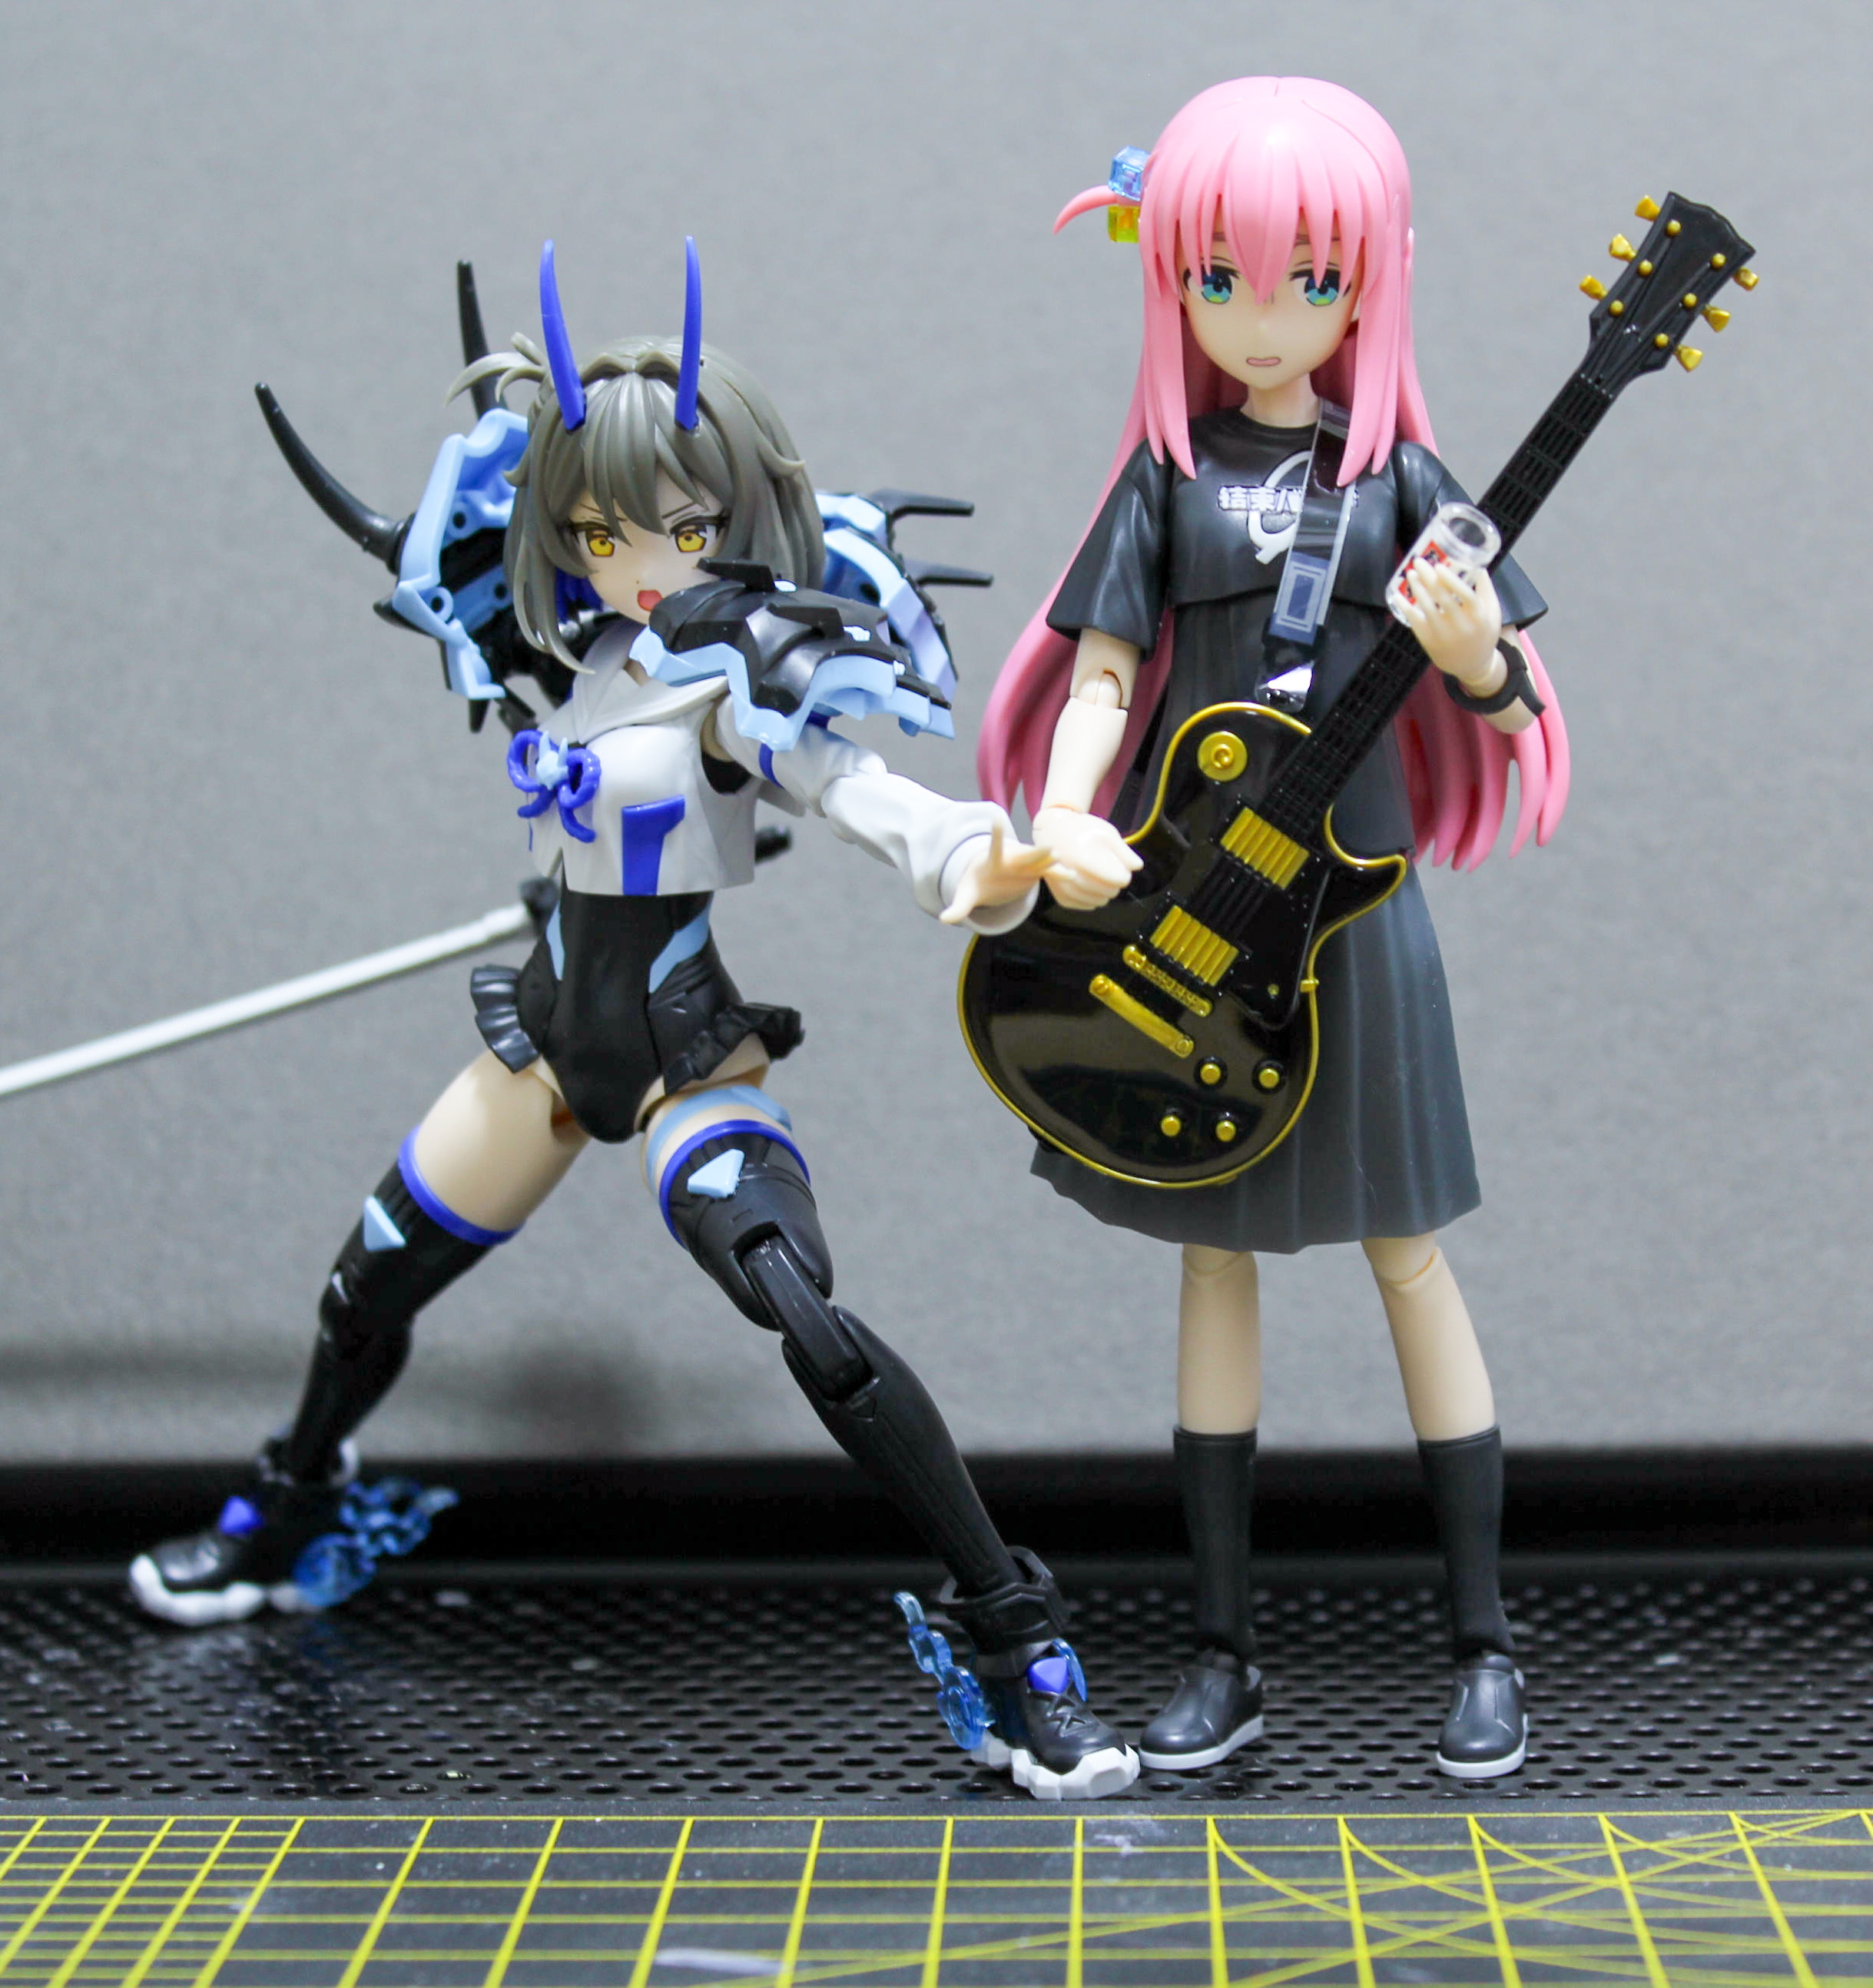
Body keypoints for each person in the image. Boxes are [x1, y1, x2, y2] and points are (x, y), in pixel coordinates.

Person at [131, 241, 1139, 1802]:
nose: (642, 561)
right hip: (545, 1038)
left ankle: (1018, 1644)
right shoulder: (564, 660)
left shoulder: (741, 670)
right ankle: (290, 1505)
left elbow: (854, 785)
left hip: (678, 1051)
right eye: (602, 532)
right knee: (367, 1285)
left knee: (803, 1314)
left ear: (738, 512)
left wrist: (981, 857)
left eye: (680, 525)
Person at [976, 78, 1571, 1780]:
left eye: (1310, 279)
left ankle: (1483, 1647)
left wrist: (1469, 653)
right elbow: (1102, 677)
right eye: (1220, 276)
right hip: (1192, 923)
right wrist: (1067, 814)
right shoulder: (1162, 483)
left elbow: (1514, 700)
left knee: (1408, 1256)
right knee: (1211, 1259)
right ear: (1170, 276)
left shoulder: (1394, 484)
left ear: (1369, 281)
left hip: (1353, 917)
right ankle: (1221, 1652)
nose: (1262, 315)